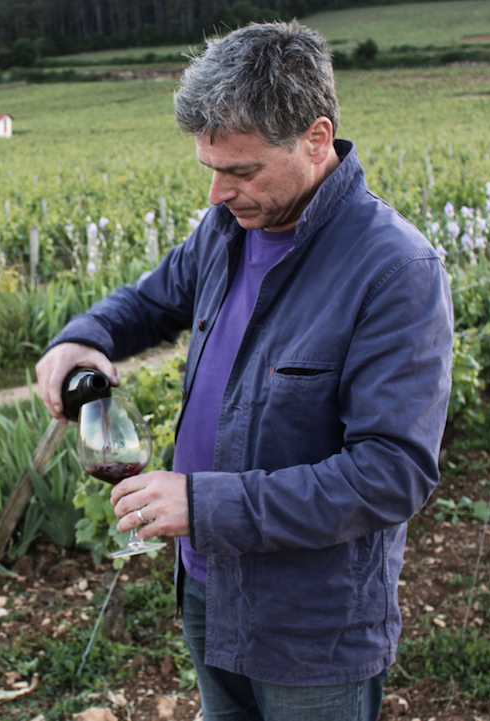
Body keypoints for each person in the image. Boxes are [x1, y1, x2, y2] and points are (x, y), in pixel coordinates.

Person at [35, 21, 453, 721]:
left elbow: (391, 475)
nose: (216, 192)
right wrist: (83, 338)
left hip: (312, 622)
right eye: (209, 167)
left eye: (241, 170)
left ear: (316, 139)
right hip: (205, 580)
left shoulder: (394, 269)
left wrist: (202, 505)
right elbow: (148, 301)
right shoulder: (226, 230)